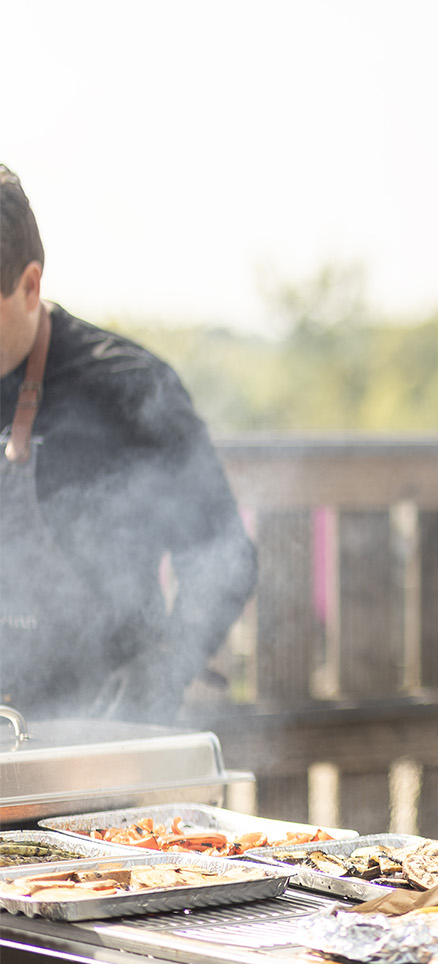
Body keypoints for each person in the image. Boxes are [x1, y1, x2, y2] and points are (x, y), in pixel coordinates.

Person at [0, 164, 257, 725]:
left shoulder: (126, 388)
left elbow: (225, 559)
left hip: (98, 739)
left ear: (30, 285)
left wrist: (161, 672)